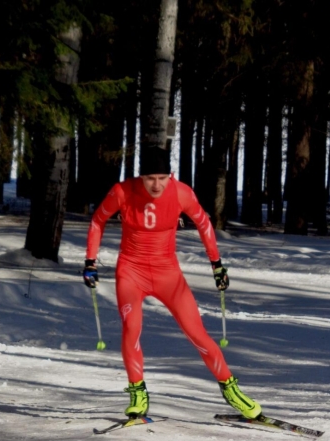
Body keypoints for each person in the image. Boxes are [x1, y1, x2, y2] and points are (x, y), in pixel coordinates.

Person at [83, 146, 262, 420]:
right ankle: (138, 392)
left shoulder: (181, 192)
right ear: (140, 177)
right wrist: (91, 262)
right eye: (150, 178)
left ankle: (230, 389)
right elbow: (97, 221)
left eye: (162, 178)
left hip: (168, 274)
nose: (156, 185)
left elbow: (204, 223)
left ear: (171, 175)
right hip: (131, 271)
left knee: (197, 333)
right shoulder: (122, 191)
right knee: (132, 327)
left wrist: (216, 265)